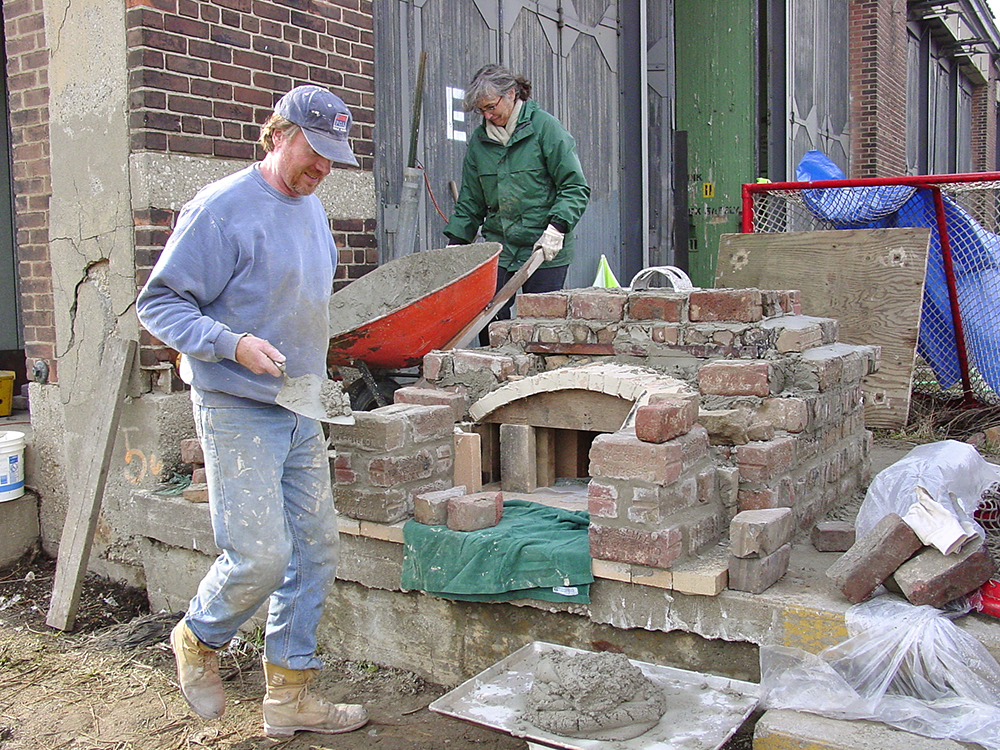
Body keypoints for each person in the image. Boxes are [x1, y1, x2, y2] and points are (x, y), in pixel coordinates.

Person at [136, 85, 368, 739]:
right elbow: (159, 304)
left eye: (333, 157)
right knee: (260, 556)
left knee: (316, 551)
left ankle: (290, 698)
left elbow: (298, 299)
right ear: (278, 135)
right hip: (238, 405)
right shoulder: (220, 210)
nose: (322, 167)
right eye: (314, 151)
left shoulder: (311, 208)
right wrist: (231, 342)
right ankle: (198, 636)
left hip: (300, 404)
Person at [444, 64, 590, 345]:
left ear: (511, 93)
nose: (487, 116)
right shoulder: (480, 143)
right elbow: (471, 201)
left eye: (490, 107)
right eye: (481, 110)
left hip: (544, 245)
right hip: (502, 246)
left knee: (542, 326)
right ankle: (497, 378)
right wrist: (455, 244)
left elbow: (574, 186)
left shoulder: (545, 129)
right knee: (490, 320)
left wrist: (557, 227)